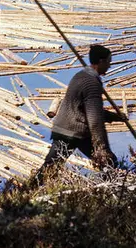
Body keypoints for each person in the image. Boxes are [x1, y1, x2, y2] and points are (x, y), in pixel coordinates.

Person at [31, 43, 121, 183]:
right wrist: (102, 148)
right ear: (101, 61)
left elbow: (86, 108)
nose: (110, 65)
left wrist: (114, 117)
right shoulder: (91, 83)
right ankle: (109, 192)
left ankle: (29, 191)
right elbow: (95, 119)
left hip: (67, 127)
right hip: (72, 131)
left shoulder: (82, 75)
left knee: (50, 167)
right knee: (109, 163)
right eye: (109, 62)